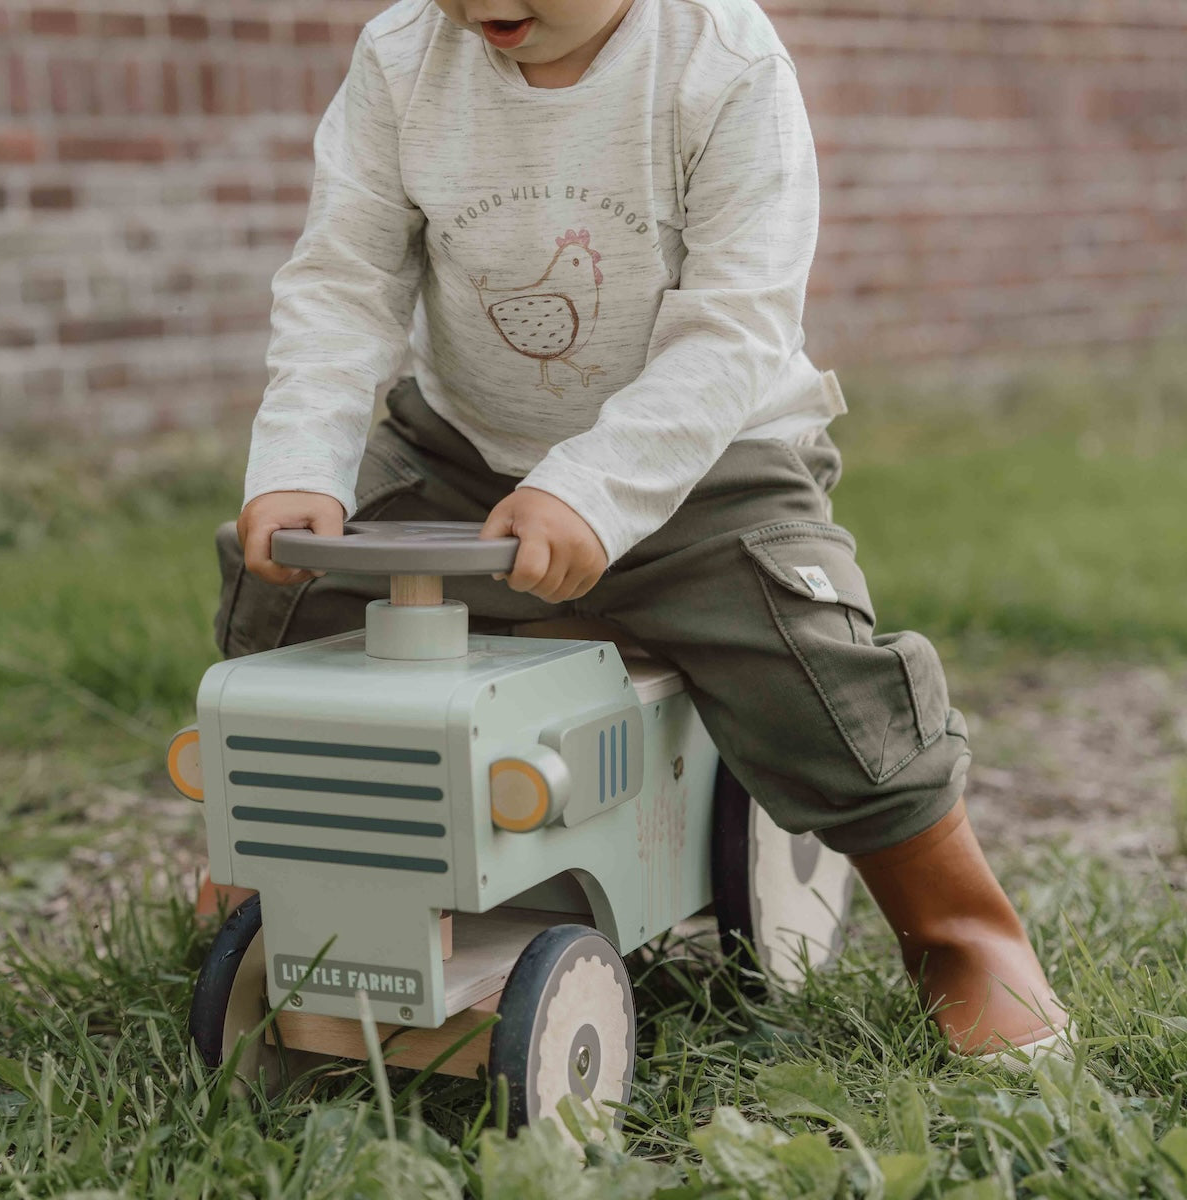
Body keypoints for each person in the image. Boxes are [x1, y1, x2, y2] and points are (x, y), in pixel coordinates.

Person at [219, 0, 1070, 1062]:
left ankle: (959, 928)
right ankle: (283, 854)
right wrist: (302, 462)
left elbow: (737, 322)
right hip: (463, 457)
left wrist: (596, 488)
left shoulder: (721, 61)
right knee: (288, 587)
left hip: (708, 460)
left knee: (813, 660)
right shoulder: (404, 59)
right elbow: (346, 281)